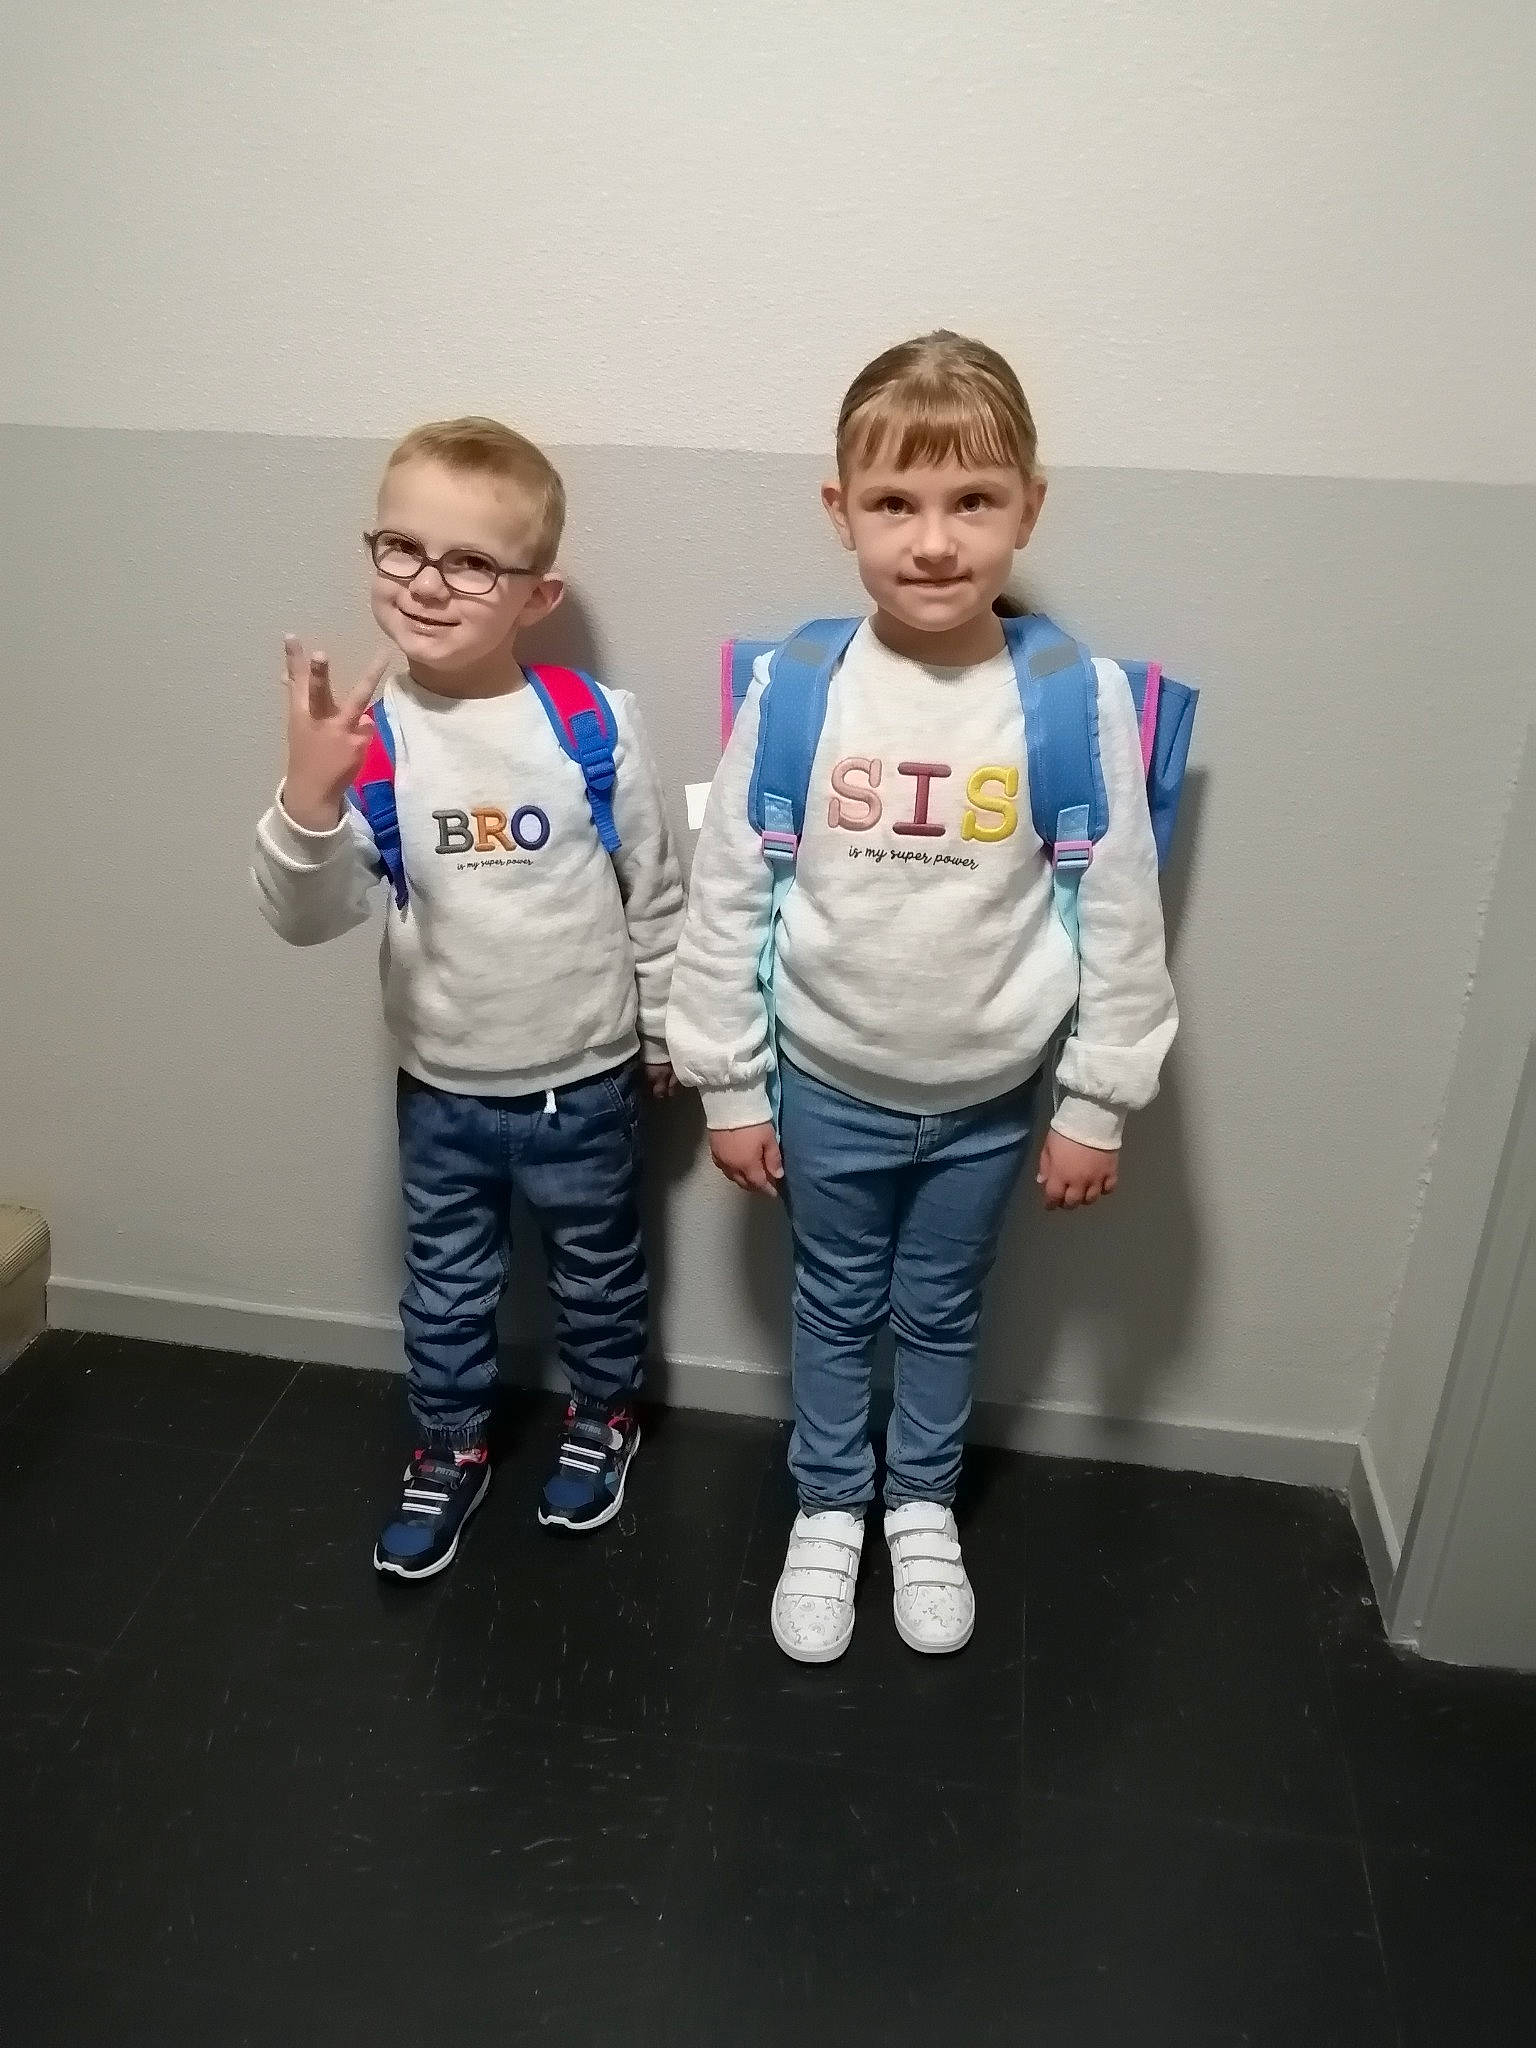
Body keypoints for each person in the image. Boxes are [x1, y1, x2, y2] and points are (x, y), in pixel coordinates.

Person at [666, 334, 1177, 1661]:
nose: (934, 541)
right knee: (833, 1304)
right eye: (894, 503)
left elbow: (1120, 907)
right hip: (827, 1086)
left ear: (1029, 509)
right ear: (840, 512)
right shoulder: (799, 688)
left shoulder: (1075, 699)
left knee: (945, 1309)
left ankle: (922, 1506)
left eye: (973, 502)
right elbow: (731, 893)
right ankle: (831, 1506)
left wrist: (1100, 1101)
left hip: (993, 1101)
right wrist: (727, 1078)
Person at [252, 416, 683, 1577]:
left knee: (600, 1271)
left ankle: (606, 1417)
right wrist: (307, 800)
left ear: (536, 595)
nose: (427, 583)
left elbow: (657, 892)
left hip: (585, 1082)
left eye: (470, 562)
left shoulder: (592, 725)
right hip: (440, 1086)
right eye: (401, 548)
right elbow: (306, 917)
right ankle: (449, 1443)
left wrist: (660, 1034)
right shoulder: (365, 737)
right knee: (445, 1286)